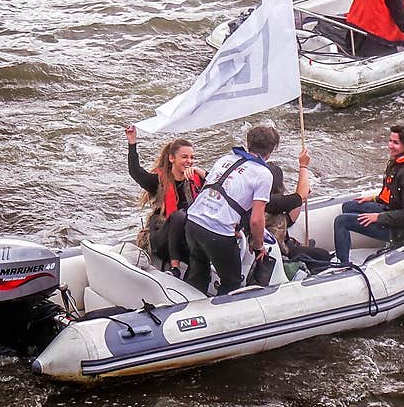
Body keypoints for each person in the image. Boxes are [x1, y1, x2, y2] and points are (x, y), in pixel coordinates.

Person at [184, 125, 277, 295]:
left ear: (248, 144)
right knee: (232, 281)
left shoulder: (226, 159)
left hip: (193, 221)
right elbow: (257, 219)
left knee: (198, 272)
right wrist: (258, 247)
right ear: (271, 152)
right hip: (216, 231)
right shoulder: (263, 173)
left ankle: (192, 309)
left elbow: (215, 190)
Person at [333, 123, 404, 264]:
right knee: (349, 207)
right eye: (390, 140)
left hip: (403, 229)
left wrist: (378, 217)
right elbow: (397, 194)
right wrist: (375, 199)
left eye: (396, 142)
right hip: (396, 212)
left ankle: (343, 266)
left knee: (341, 222)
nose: (390, 145)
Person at [125, 126, 205, 278]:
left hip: (186, 238)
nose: (189, 161)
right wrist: (132, 143)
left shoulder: (196, 180)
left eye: (192, 158)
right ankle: (174, 268)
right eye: (184, 157)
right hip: (162, 238)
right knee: (180, 216)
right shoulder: (158, 181)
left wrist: (200, 171)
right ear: (172, 158)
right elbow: (136, 172)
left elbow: (218, 188)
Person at [262, 148, 332, 271]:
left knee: (310, 249)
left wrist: (301, 200)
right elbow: (300, 195)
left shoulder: (263, 200)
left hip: (282, 244)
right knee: (323, 255)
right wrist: (303, 166)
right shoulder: (271, 202)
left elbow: (289, 220)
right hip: (282, 253)